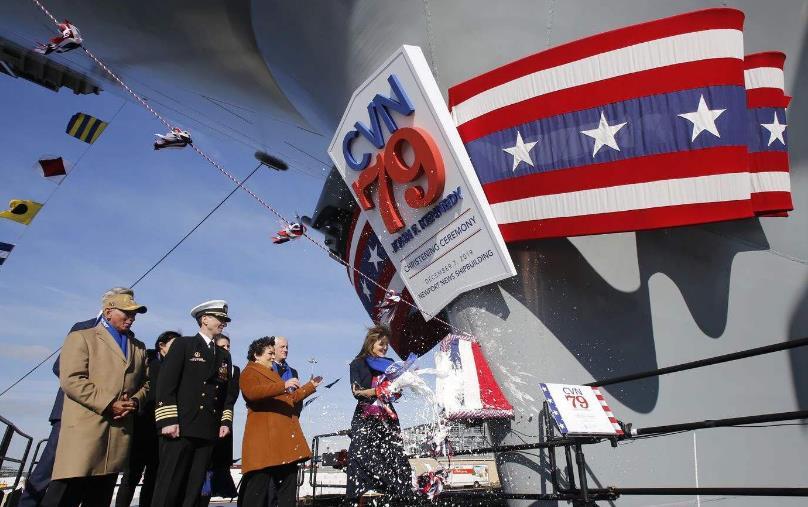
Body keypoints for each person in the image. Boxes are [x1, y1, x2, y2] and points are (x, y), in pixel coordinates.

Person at [19, 286, 133, 507]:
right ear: (109, 307)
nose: (130, 314)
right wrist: (101, 392)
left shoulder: (129, 339)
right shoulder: (84, 329)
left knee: (95, 478)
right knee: (50, 470)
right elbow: (61, 368)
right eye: (124, 306)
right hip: (72, 415)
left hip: (108, 418)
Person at [42, 291, 149, 507]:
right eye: (126, 312)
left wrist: (136, 401)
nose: (132, 317)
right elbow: (71, 379)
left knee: (101, 495)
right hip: (85, 432)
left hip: (118, 434)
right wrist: (109, 403)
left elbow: (147, 383)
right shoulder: (82, 337)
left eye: (134, 313)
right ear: (108, 312)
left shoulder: (138, 347)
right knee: (65, 493)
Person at [151, 300, 234, 507]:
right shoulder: (184, 345)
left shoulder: (224, 355)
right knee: (169, 485)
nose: (223, 323)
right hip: (181, 427)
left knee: (194, 489)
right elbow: (166, 383)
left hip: (207, 429)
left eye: (225, 319)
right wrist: (168, 420)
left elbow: (224, 394)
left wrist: (225, 422)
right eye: (219, 318)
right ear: (204, 319)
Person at [238, 336, 320, 507]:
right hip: (264, 441)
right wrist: (282, 385)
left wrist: (309, 387)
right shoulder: (249, 372)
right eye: (269, 353)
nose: (273, 357)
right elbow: (252, 392)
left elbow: (290, 398)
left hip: (282, 441)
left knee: (288, 484)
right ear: (256, 355)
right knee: (258, 487)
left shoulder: (272, 374)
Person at [345, 325, 414, 504]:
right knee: (360, 452)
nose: (384, 348)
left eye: (386, 345)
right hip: (365, 415)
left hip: (387, 415)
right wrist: (378, 391)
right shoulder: (357, 363)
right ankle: (365, 493)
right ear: (371, 343)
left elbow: (396, 391)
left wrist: (399, 386)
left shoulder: (390, 364)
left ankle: (399, 493)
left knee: (394, 453)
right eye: (381, 344)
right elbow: (356, 392)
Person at [114, 331, 180, 507]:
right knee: (131, 476)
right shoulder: (149, 361)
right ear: (162, 345)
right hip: (142, 424)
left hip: (161, 428)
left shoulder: (177, 367)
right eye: (173, 345)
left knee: (153, 476)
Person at [198, 334, 240, 506]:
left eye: (228, 346)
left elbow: (231, 397)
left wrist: (226, 421)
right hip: (202, 420)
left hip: (222, 421)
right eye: (223, 346)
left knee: (214, 468)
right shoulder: (204, 364)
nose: (227, 350)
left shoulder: (233, 370)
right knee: (201, 467)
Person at [272, 336, 302, 416]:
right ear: (273, 348)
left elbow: (298, 396)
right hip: (271, 416)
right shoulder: (266, 369)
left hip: (289, 417)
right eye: (282, 347)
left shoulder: (293, 372)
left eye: (287, 347)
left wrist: (296, 414)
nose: (286, 350)